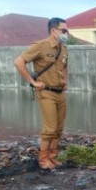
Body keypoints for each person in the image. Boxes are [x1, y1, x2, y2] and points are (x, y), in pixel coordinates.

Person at [14, 17, 69, 170]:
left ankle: (53, 156)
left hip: (60, 92)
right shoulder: (41, 46)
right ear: (53, 31)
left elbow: (65, 66)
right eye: (63, 30)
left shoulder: (63, 47)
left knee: (59, 128)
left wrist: (65, 80)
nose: (66, 33)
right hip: (46, 92)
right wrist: (33, 81)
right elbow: (18, 62)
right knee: (50, 128)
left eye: (66, 30)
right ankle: (43, 159)